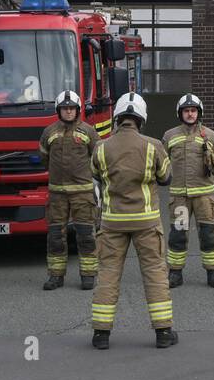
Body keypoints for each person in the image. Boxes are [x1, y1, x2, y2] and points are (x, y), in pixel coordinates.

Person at [90, 92, 176, 350]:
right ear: (141, 118)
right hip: (146, 222)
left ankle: (101, 335)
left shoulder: (101, 147)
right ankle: (163, 333)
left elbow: (95, 176)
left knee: (108, 275)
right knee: (154, 275)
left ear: (117, 117)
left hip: (112, 222)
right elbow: (166, 177)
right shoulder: (153, 146)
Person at [162, 93, 214, 288]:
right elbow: (162, 162)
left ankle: (213, 272)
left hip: (204, 196)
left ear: (199, 112)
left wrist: (209, 157)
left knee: (208, 234)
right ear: (180, 113)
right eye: (186, 111)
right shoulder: (170, 136)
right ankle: (175, 273)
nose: (190, 114)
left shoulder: (210, 135)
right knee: (178, 235)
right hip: (180, 197)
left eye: (193, 110)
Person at [39, 90, 99, 291]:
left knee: (86, 235)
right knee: (55, 236)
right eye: (64, 109)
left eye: (71, 108)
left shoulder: (89, 132)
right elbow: (44, 158)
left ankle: (88, 275)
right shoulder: (49, 132)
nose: (68, 112)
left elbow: (97, 158)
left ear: (78, 110)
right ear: (59, 110)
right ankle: (56, 276)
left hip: (82, 192)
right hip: (57, 193)